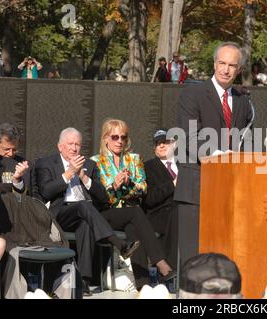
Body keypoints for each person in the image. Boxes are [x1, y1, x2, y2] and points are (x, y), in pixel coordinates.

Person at [175, 41, 253, 268]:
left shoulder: (242, 100)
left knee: (222, 257)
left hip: (228, 188)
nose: (226, 69)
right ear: (214, 63)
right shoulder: (193, 93)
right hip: (196, 186)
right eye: (222, 63)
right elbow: (190, 136)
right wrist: (219, 155)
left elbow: (245, 139)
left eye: (232, 65)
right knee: (194, 260)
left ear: (238, 70)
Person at [35, 127, 139, 296]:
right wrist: (69, 173)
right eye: (70, 144)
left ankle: (83, 281)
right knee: (84, 206)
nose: (74, 148)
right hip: (58, 214)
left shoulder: (89, 165)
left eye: (77, 144)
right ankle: (119, 244)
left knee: (85, 224)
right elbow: (46, 192)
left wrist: (83, 177)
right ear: (60, 146)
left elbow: (103, 198)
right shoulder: (45, 163)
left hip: (84, 215)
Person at [91, 119, 176, 290]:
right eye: (115, 137)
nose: (119, 141)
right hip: (107, 213)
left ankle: (143, 286)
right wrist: (113, 186)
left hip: (130, 215)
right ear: (105, 138)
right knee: (136, 212)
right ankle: (161, 264)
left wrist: (129, 184)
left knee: (134, 230)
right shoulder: (95, 162)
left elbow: (142, 190)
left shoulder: (134, 159)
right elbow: (99, 197)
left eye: (123, 137)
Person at [142, 128, 178, 269]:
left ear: (174, 144)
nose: (161, 146)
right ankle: (172, 272)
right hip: (160, 214)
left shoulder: (185, 165)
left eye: (165, 142)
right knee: (177, 214)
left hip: (185, 211)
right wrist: (173, 184)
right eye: (158, 143)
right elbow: (149, 198)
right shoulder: (147, 167)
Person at [0, 123, 32, 195]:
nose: (10, 153)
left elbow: (27, 196)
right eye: (6, 149)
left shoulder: (22, 165)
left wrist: (17, 180)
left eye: (14, 150)